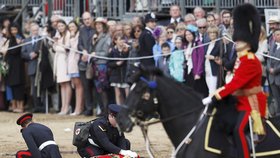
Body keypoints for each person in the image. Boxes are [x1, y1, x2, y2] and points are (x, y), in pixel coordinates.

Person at [202, 4, 266, 158]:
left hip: (252, 103)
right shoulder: (242, 58)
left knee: (238, 129)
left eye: (239, 40)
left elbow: (236, 83)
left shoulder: (250, 60)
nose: (235, 42)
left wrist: (215, 96)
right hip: (240, 100)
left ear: (248, 42)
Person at [21, 23, 44, 113]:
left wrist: (37, 54)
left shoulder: (42, 39)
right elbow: (22, 53)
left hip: (41, 67)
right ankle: (36, 106)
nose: (35, 32)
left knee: (41, 87)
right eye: (33, 30)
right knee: (34, 88)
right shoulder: (26, 40)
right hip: (31, 66)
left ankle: (43, 106)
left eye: (36, 30)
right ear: (30, 31)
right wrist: (30, 55)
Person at [267, 29, 280, 116]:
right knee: (276, 98)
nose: (278, 36)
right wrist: (269, 69)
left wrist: (275, 70)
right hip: (272, 78)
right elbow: (268, 59)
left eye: (279, 34)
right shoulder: (272, 46)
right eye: (276, 35)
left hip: (278, 75)